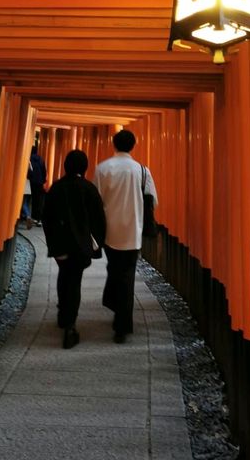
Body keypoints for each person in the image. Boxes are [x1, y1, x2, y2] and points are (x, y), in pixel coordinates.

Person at [93, 129, 158, 343]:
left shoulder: (102, 169)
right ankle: (122, 324)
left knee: (113, 268)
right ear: (133, 145)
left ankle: (114, 306)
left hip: (110, 231)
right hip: (133, 231)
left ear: (114, 144)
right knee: (127, 276)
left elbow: (96, 201)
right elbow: (152, 200)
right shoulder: (142, 170)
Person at [42, 149, 106, 349]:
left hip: (60, 244)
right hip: (80, 246)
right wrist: (96, 245)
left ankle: (63, 313)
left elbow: (47, 217)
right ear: (85, 167)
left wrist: (52, 243)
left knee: (64, 275)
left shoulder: (56, 188)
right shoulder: (89, 189)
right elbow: (99, 220)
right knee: (74, 281)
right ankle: (70, 325)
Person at [29, 146, 47, 226]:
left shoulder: (30, 159)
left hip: (32, 182)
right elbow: (44, 171)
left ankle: (34, 217)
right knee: (40, 200)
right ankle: (39, 219)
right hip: (40, 182)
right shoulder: (41, 159)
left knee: (34, 200)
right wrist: (43, 180)